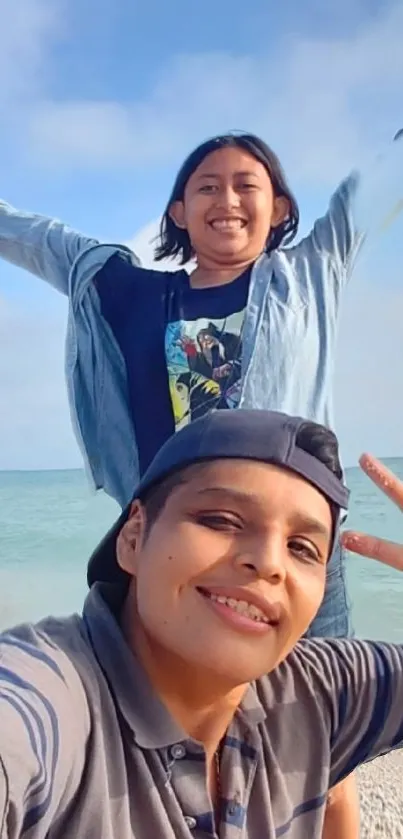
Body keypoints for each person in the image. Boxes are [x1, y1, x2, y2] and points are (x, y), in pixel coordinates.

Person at [1, 130, 402, 835]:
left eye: (246, 184)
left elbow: (373, 186)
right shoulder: (121, 287)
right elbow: (37, 235)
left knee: (321, 739)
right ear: (179, 211)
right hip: (173, 537)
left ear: (278, 208)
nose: (226, 198)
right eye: (206, 185)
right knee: (133, 714)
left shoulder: (310, 273)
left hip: (295, 545)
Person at [1, 408, 403, 839]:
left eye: (302, 548)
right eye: (221, 520)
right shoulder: (57, 702)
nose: (269, 563)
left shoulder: (318, 693)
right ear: (134, 537)